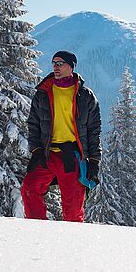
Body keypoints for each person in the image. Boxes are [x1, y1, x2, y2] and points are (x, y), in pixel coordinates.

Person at [21, 50, 101, 221]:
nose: (55, 67)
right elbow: (33, 124)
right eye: (53, 63)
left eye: (60, 63)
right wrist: (35, 150)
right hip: (47, 154)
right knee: (29, 188)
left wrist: (94, 161)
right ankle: (37, 229)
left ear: (71, 67)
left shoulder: (85, 96)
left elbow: (94, 131)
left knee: (73, 209)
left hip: (72, 156)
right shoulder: (43, 93)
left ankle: (71, 242)